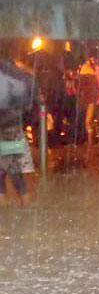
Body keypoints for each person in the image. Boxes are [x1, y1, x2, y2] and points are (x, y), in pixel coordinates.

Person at [0, 57, 37, 205]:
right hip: (13, 129)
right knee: (9, 170)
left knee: (11, 170)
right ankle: (23, 205)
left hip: (9, 129)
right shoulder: (18, 83)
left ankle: (24, 204)